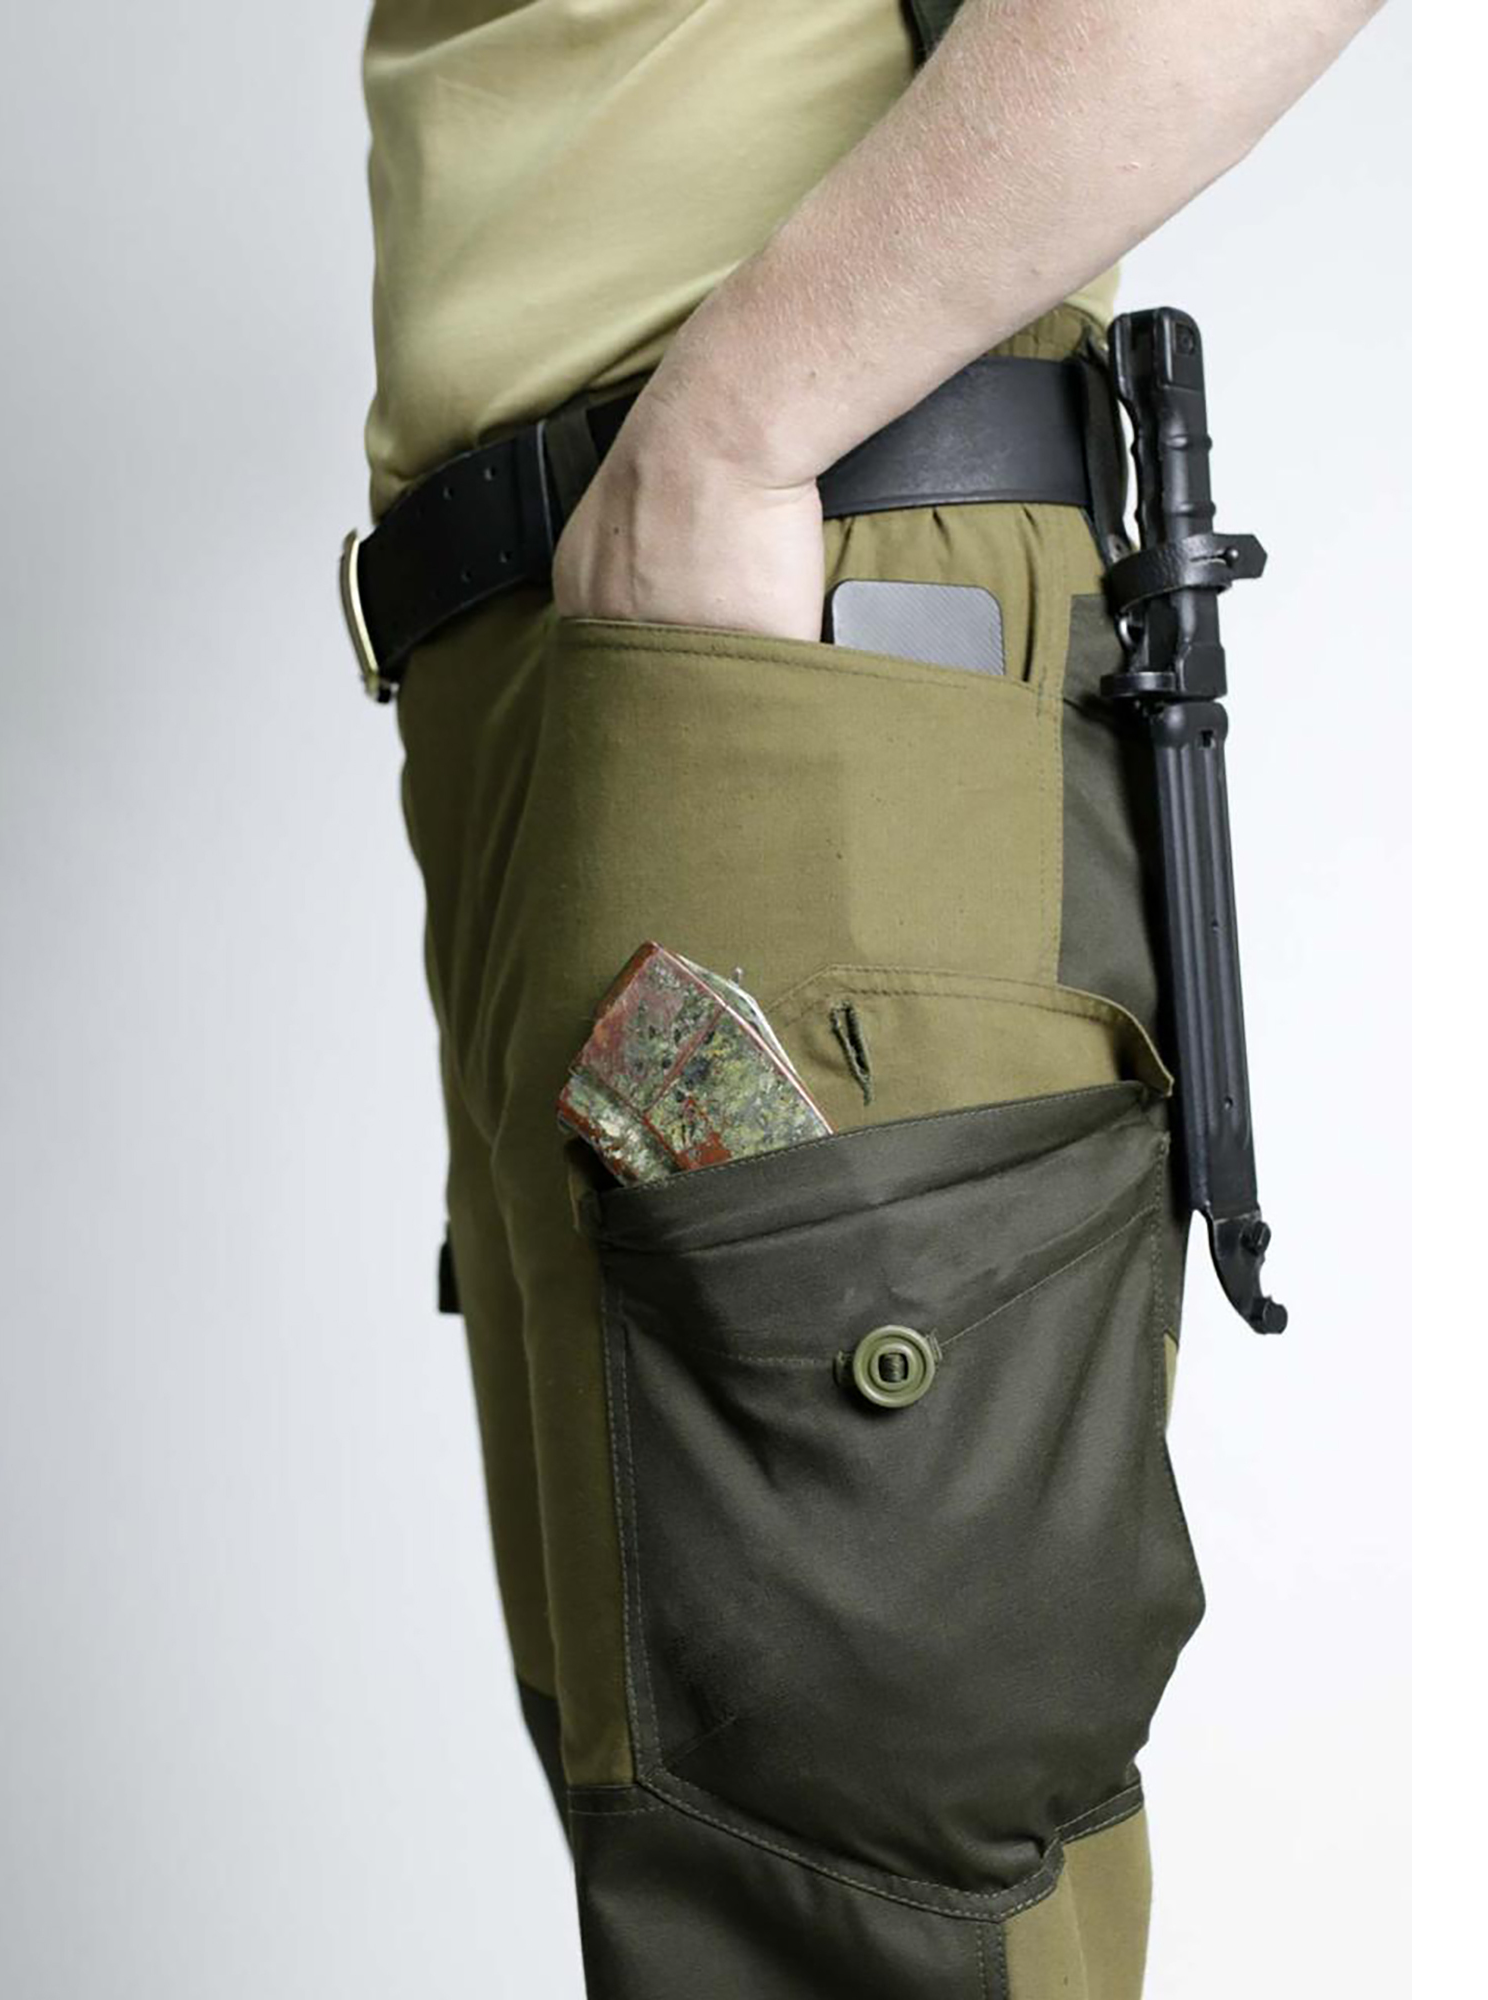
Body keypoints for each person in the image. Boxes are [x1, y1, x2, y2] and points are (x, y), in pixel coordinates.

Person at [349, 3, 1383, 1993]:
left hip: (785, 592)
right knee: (685, 1822)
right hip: (587, 642)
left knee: (843, 1868)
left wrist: (740, 425)